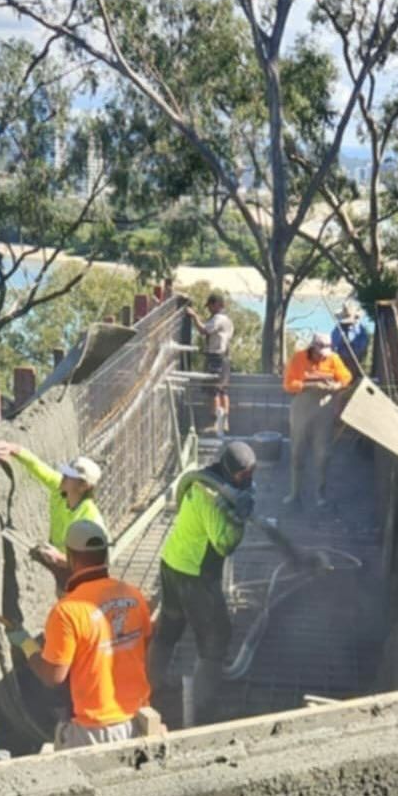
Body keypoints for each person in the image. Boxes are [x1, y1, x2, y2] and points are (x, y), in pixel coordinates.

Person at [0, 519, 152, 750]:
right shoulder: (134, 595)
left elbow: (53, 677)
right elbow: (144, 645)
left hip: (93, 730)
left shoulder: (66, 612)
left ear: (70, 557)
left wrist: (26, 644)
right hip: (138, 719)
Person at [147, 440, 255, 725]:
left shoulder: (202, 480)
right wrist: (238, 519)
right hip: (195, 575)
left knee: (168, 629)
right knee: (217, 637)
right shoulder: (211, 496)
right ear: (233, 471)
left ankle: (151, 685)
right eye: (245, 475)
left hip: (171, 562)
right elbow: (224, 544)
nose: (249, 479)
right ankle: (203, 706)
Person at [0, 441, 105, 584]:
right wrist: (13, 449)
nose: (63, 475)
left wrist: (59, 557)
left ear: (83, 486)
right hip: (64, 565)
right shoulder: (61, 489)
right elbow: (37, 466)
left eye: (69, 475)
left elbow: (93, 564)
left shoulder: (90, 520)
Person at [283, 331, 353, 508]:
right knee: (297, 452)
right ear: (312, 347)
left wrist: (337, 385)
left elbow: (346, 377)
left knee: (323, 454)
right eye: (320, 350)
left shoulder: (333, 359)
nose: (323, 354)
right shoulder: (299, 358)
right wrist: (309, 385)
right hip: (301, 409)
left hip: (324, 409)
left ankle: (320, 494)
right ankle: (294, 493)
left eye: (326, 350)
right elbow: (288, 384)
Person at [186, 292, 235, 436]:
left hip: (215, 358)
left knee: (213, 391)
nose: (209, 309)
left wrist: (194, 316)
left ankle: (215, 423)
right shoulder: (227, 320)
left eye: (211, 306)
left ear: (218, 305)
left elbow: (203, 330)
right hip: (224, 357)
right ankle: (224, 422)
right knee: (222, 390)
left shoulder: (218, 319)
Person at [331, 303, 370, 368]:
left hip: (355, 360)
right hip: (339, 360)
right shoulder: (338, 328)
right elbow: (333, 345)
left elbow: (362, 348)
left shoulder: (360, 331)